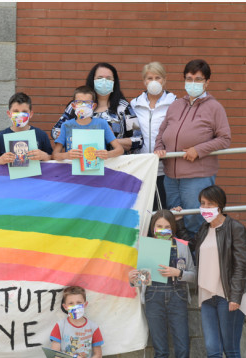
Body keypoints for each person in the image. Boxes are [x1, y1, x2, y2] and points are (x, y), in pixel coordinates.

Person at [189, 185, 246, 358]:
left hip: (228, 297)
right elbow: (191, 246)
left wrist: (235, 296)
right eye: (202, 203)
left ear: (220, 205)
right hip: (207, 296)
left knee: (231, 350)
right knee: (212, 349)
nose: (204, 208)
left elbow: (240, 265)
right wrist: (174, 220)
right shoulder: (204, 230)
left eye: (209, 203)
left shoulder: (235, 228)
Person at [154, 59, 231, 240]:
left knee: (195, 223)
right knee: (175, 223)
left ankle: (198, 265)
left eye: (198, 79)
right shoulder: (176, 105)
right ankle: (179, 263)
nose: (193, 83)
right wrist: (159, 148)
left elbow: (225, 139)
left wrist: (199, 149)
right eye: (189, 79)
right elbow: (162, 133)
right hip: (171, 178)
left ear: (207, 82)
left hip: (197, 178)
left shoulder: (214, 107)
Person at [128, 210, 195, 358]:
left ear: (172, 228)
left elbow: (194, 275)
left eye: (167, 227)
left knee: (182, 350)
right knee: (161, 352)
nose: (163, 230)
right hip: (153, 299)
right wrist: (133, 278)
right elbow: (141, 280)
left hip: (178, 297)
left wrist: (179, 272)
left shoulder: (182, 246)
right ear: (153, 228)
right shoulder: (145, 245)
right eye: (159, 227)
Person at [51, 62, 143, 153]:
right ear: (93, 80)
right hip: (80, 162)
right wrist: (67, 133)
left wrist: (110, 139)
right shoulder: (77, 105)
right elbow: (55, 131)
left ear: (114, 82)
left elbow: (138, 140)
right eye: (100, 78)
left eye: (108, 78)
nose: (104, 81)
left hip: (115, 163)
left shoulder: (123, 107)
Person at [130, 62, 177, 210]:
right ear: (144, 81)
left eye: (158, 77)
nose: (154, 82)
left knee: (162, 211)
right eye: (150, 78)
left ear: (164, 80)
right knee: (142, 211)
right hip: (142, 167)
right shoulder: (134, 105)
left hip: (165, 168)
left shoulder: (175, 104)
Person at [52, 86, 123, 161]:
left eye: (87, 103)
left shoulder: (102, 124)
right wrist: (66, 155)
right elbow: (55, 155)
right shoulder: (66, 126)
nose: (83, 106)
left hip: (97, 170)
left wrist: (108, 154)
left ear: (93, 106)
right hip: (72, 171)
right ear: (73, 105)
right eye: (79, 102)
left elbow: (119, 149)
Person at [0, 92, 53, 165]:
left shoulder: (41, 135)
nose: (20, 115)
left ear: (30, 114)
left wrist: (45, 156)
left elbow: (53, 159)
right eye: (16, 111)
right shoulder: (0, 137)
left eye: (24, 111)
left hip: (34, 177)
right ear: (9, 114)